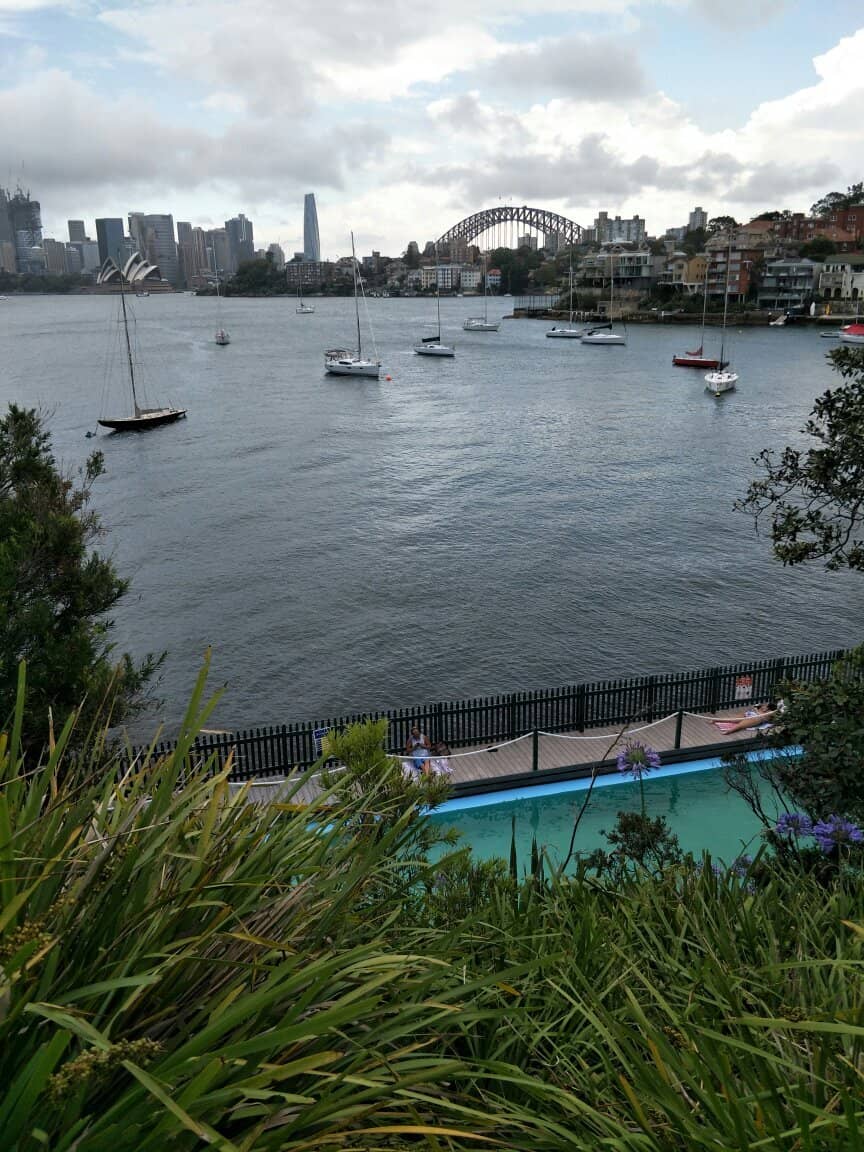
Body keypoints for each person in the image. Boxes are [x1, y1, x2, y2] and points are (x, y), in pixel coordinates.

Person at [711, 702, 777, 734]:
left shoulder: (771, 713)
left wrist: (757, 710)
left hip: (756, 718)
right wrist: (757, 708)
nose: (764, 706)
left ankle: (728, 731)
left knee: (741, 725)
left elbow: (762, 716)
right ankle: (716, 720)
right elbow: (755, 707)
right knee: (733, 719)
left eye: (766, 706)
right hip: (751, 714)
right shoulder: (762, 708)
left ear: (769, 708)